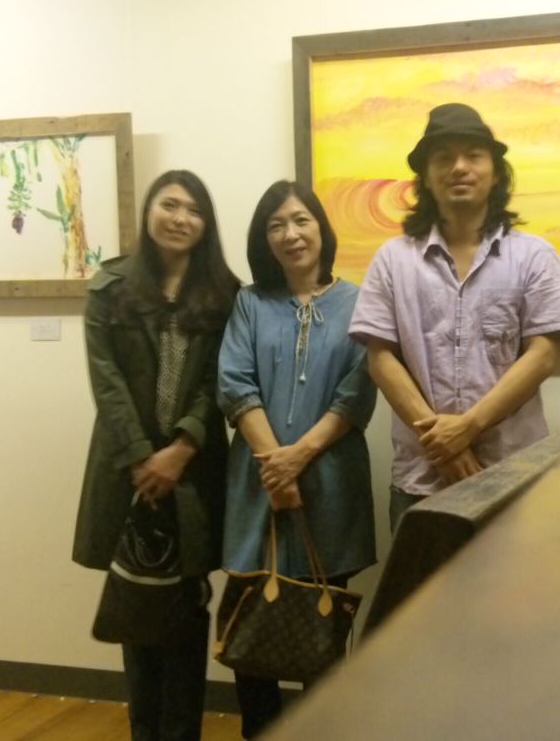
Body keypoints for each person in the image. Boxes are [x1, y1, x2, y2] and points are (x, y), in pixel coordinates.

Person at [349, 102, 560, 531]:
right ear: (425, 177)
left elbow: (543, 355)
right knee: (421, 580)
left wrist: (468, 427)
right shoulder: (392, 259)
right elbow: (380, 359)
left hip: (516, 473)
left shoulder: (534, 255)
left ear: (495, 172)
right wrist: (443, 446)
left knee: (521, 579)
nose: (459, 167)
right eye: (443, 157)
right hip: (422, 479)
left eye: (473, 155)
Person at [73, 170, 240, 741]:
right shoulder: (111, 288)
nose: (180, 218)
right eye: (169, 205)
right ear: (148, 211)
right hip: (129, 473)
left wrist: (182, 448)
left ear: (206, 224)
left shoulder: (225, 294)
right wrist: (143, 458)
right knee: (136, 611)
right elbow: (106, 381)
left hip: (193, 473)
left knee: (187, 613)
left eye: (193, 210)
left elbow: (220, 379)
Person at [217, 180, 377, 738]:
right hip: (256, 486)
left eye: (301, 220)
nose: (291, 234)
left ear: (322, 229)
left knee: (323, 633)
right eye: (276, 225)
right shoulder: (250, 303)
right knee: (251, 632)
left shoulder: (359, 302)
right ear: (264, 239)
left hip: (330, 484)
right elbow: (234, 384)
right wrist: (274, 466)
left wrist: (298, 458)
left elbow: (356, 393)